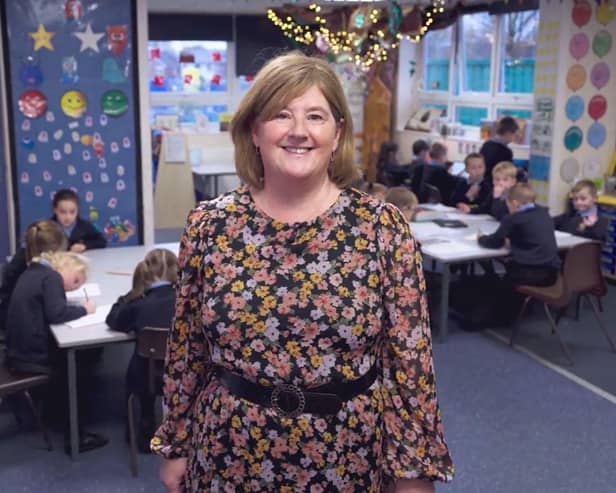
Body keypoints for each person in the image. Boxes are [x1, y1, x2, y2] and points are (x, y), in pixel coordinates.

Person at [152, 51, 453, 493]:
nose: (298, 131)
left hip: (345, 453)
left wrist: (412, 473)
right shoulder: (209, 225)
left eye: (315, 116)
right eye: (280, 115)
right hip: (229, 449)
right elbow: (186, 350)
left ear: (337, 133)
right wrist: (176, 443)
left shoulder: (382, 228)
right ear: (254, 130)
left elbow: (410, 366)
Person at [5, 250, 107, 452]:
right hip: (32, 358)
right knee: (80, 366)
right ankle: (76, 438)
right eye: (76, 280)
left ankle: (59, 412)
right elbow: (57, 313)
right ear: (66, 266)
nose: (72, 287)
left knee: (86, 355)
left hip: (17, 352)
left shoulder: (34, 270)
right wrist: (85, 309)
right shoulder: (51, 277)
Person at [106, 249, 177, 453]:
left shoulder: (139, 304)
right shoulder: (186, 300)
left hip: (146, 377)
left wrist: (129, 297)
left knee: (141, 368)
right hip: (183, 375)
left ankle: (143, 430)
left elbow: (114, 320)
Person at [478, 183, 560, 287]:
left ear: (515, 203)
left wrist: (480, 238)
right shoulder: (544, 213)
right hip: (552, 274)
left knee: (497, 286)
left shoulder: (512, 219)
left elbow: (494, 242)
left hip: (527, 273)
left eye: (507, 204)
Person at [0, 220, 66, 334]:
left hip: (15, 315)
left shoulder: (27, 256)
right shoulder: (38, 271)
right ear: (52, 251)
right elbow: (55, 313)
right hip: (21, 323)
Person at [480, 116, 519, 182]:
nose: (514, 138)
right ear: (508, 133)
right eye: (514, 135)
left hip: (483, 182)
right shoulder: (506, 152)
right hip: (496, 184)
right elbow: (508, 174)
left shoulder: (486, 144)